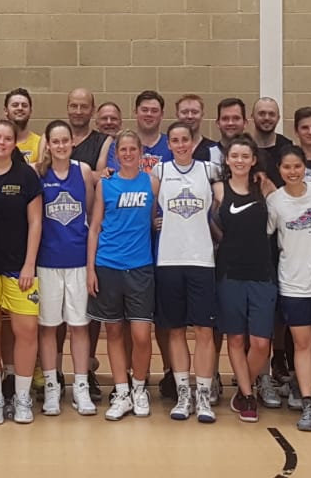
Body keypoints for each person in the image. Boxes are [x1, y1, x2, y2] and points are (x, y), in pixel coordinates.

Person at [0, 119, 44, 424]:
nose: (1, 142)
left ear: (15, 143)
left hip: (19, 267)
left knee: (26, 330)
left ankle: (23, 396)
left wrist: (29, 263)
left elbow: (35, 222)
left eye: (7, 138)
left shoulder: (26, 175)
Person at [266, 148, 311, 432]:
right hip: (293, 283)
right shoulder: (275, 201)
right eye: (287, 167)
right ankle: (307, 400)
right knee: (302, 342)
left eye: (297, 166)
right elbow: (267, 234)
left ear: (304, 167)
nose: (292, 172)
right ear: (279, 169)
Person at [88, 131, 158, 421]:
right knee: (114, 332)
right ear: (116, 154)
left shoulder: (152, 182)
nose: (128, 154)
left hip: (140, 267)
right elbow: (95, 227)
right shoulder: (105, 184)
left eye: (133, 149)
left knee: (141, 335)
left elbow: (153, 220)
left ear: (141, 152)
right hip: (108, 265)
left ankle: (139, 388)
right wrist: (90, 269)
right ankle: (122, 391)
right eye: (123, 150)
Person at [154, 121, 220, 423]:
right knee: (176, 330)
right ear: (169, 144)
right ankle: (183, 394)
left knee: (204, 331)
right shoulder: (159, 172)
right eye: (175, 140)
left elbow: (228, 197)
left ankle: (203, 394)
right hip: (169, 260)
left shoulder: (209, 170)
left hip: (201, 260)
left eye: (185, 139)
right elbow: (144, 207)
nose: (181, 145)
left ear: (193, 143)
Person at [36, 120, 99, 417]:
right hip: (47, 262)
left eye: (65, 140)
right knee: (48, 327)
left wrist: (91, 264)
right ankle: (52, 386)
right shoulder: (38, 173)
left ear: (72, 142)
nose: (61, 145)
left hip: (77, 260)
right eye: (55, 141)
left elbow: (90, 214)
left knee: (79, 326)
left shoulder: (83, 170)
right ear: (48, 144)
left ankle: (81, 387)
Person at [212, 137, 276, 423]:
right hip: (229, 272)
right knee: (236, 337)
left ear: (253, 160)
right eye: (234, 155)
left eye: (245, 156)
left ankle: (242, 386)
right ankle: (248, 395)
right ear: (227, 160)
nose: (239, 160)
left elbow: (290, 203)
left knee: (261, 342)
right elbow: (205, 220)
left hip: (262, 271)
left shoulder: (265, 187)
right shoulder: (218, 189)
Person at [102, 90, 169, 173]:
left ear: (162, 114)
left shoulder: (172, 144)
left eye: (154, 111)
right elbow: (115, 176)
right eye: (144, 110)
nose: (149, 114)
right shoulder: (118, 145)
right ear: (136, 112)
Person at [250, 98, 294, 178]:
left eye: (272, 114)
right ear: (252, 117)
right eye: (262, 113)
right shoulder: (243, 146)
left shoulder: (287, 147)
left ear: (278, 118)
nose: (267, 118)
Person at [66, 88, 109, 169]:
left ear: (93, 110)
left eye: (84, 107)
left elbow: (101, 174)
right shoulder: (51, 138)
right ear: (67, 108)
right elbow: (42, 170)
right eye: (74, 106)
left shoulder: (103, 141)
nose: (78, 112)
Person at [4, 88, 43, 163]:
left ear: (30, 111)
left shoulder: (40, 143)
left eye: (24, 105)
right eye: (15, 105)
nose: (20, 108)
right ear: (6, 111)